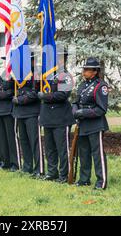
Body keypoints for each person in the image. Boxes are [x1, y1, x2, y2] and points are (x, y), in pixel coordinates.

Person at [38, 48, 75, 183]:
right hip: (47, 116)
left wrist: (46, 96)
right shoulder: (47, 75)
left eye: (60, 58)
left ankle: (64, 175)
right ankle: (52, 172)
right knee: (50, 148)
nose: (57, 60)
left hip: (61, 118)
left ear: (64, 59)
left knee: (62, 149)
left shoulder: (65, 76)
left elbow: (63, 95)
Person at [72, 57, 109, 190]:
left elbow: (101, 109)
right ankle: (84, 179)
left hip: (95, 124)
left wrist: (83, 113)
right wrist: (75, 111)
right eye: (84, 69)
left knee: (97, 154)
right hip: (83, 125)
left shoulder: (101, 86)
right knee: (84, 153)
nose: (84, 71)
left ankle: (101, 181)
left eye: (87, 69)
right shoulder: (83, 85)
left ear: (94, 72)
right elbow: (75, 102)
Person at [12, 53, 43, 177]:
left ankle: (38, 168)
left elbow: (35, 93)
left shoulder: (37, 74)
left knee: (34, 141)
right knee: (24, 140)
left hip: (32, 112)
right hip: (20, 112)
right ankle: (27, 166)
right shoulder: (20, 76)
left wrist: (20, 100)